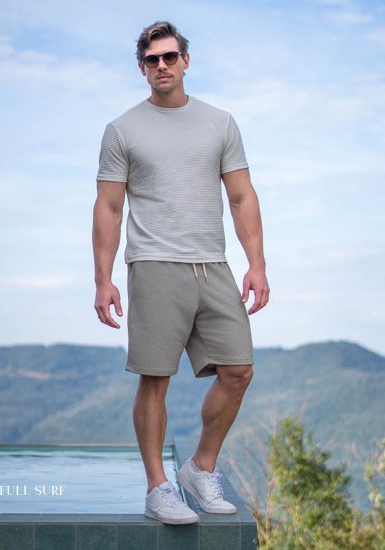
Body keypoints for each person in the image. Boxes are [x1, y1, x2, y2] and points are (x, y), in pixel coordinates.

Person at [92, 20, 270, 525]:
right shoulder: (123, 130)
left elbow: (241, 196)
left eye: (170, 56)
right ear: (142, 68)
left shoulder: (220, 123)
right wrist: (103, 278)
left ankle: (200, 468)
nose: (162, 65)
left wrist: (256, 264)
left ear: (186, 61)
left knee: (238, 370)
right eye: (152, 59)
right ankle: (158, 488)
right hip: (153, 264)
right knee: (155, 379)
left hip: (213, 264)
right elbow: (108, 207)